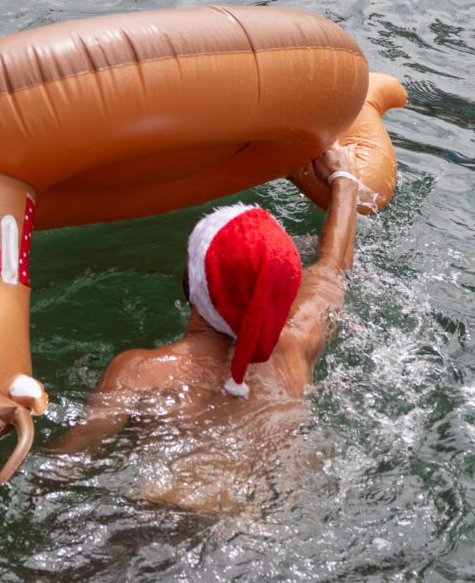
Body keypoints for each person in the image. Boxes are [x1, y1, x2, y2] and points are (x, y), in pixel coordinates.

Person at [47, 143, 359, 512]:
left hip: (147, 528)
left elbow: (65, 468)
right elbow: (332, 267)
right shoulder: (298, 344)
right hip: (250, 539)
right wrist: (345, 181)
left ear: (194, 279)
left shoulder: (139, 371)